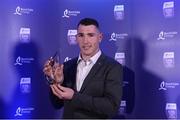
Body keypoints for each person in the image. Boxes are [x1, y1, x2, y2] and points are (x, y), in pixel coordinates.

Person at [43, 18, 123, 119]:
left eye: (90, 35)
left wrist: (74, 97)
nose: (85, 41)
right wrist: (55, 81)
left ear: (100, 37)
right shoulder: (67, 66)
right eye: (81, 35)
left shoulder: (112, 67)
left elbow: (112, 107)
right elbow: (57, 104)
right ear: (76, 38)